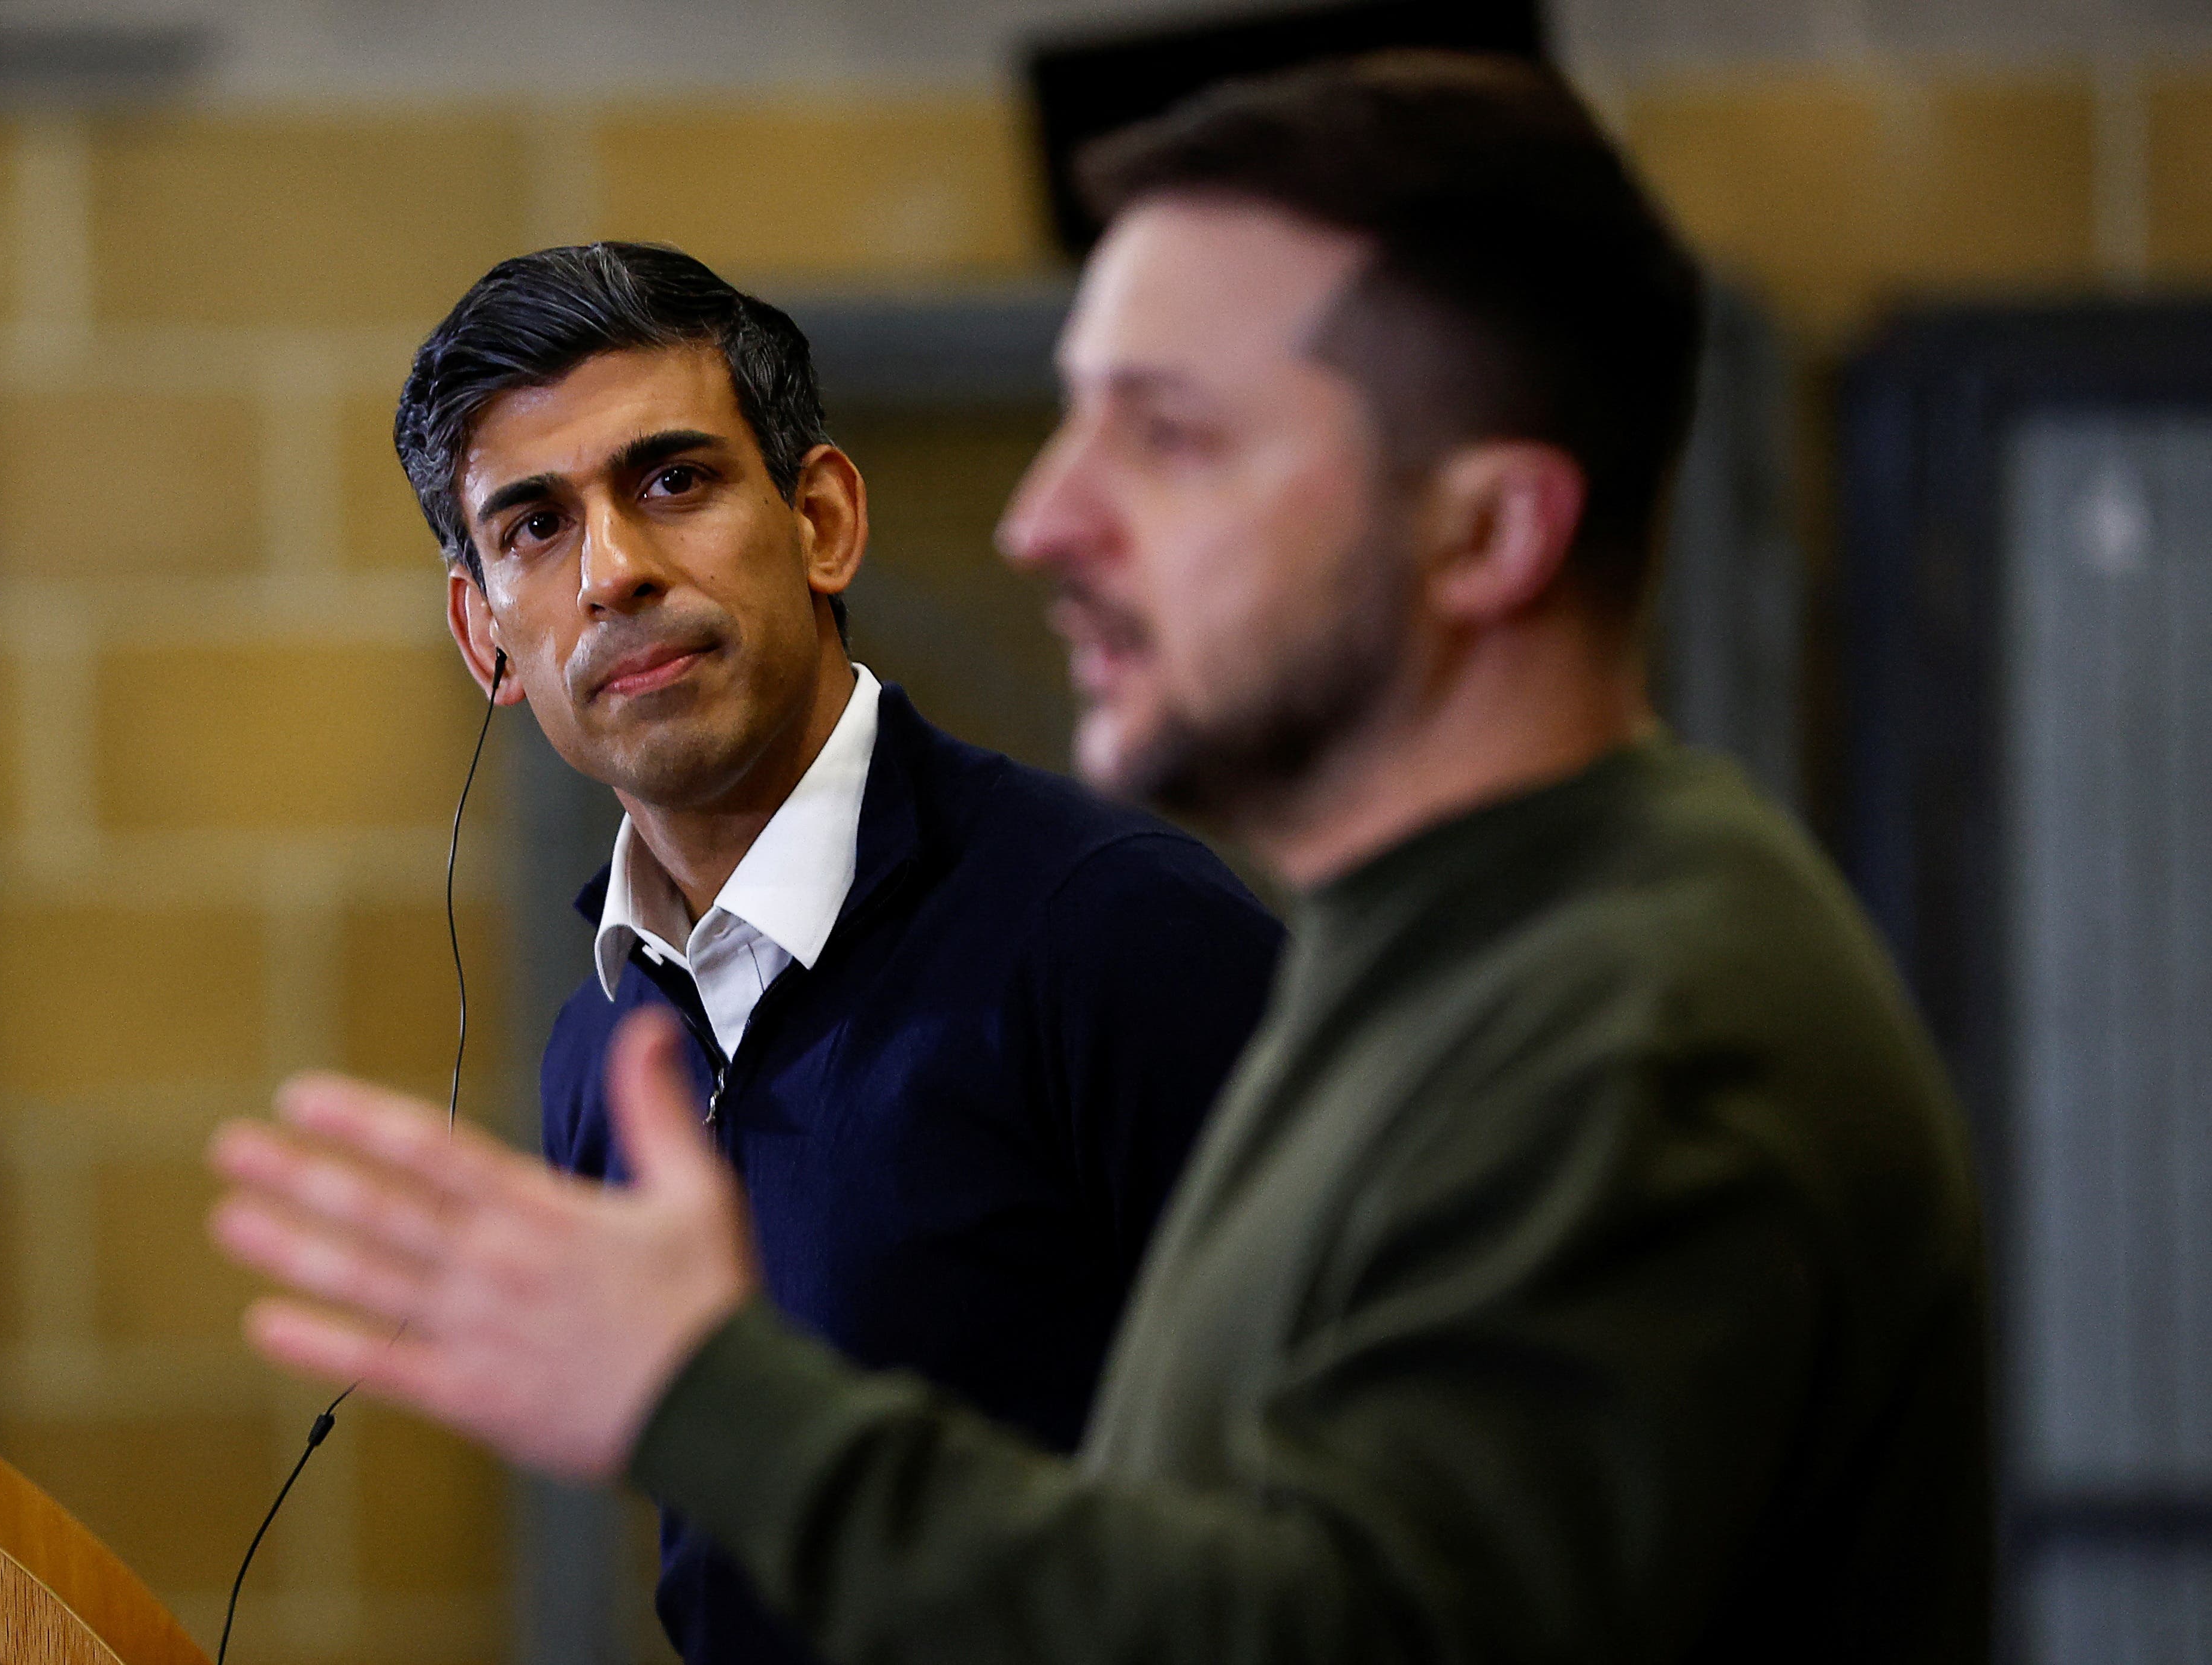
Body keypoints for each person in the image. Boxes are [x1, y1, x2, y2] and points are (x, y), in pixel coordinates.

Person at [211, 53, 1992, 1663]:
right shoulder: (1453, 966)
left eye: (1169, 435)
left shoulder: (1637, 1026)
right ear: (479, 623)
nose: (1043, 517)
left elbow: (1335, 1634)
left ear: (1483, 530)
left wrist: (704, 1393)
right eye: (537, 525)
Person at [385, 241, 1282, 1665]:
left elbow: (1359, 1529)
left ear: (821, 521)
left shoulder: (1119, 936)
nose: (613, 572)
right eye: (535, 528)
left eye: (672, 481)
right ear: (483, 634)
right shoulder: (605, 1055)